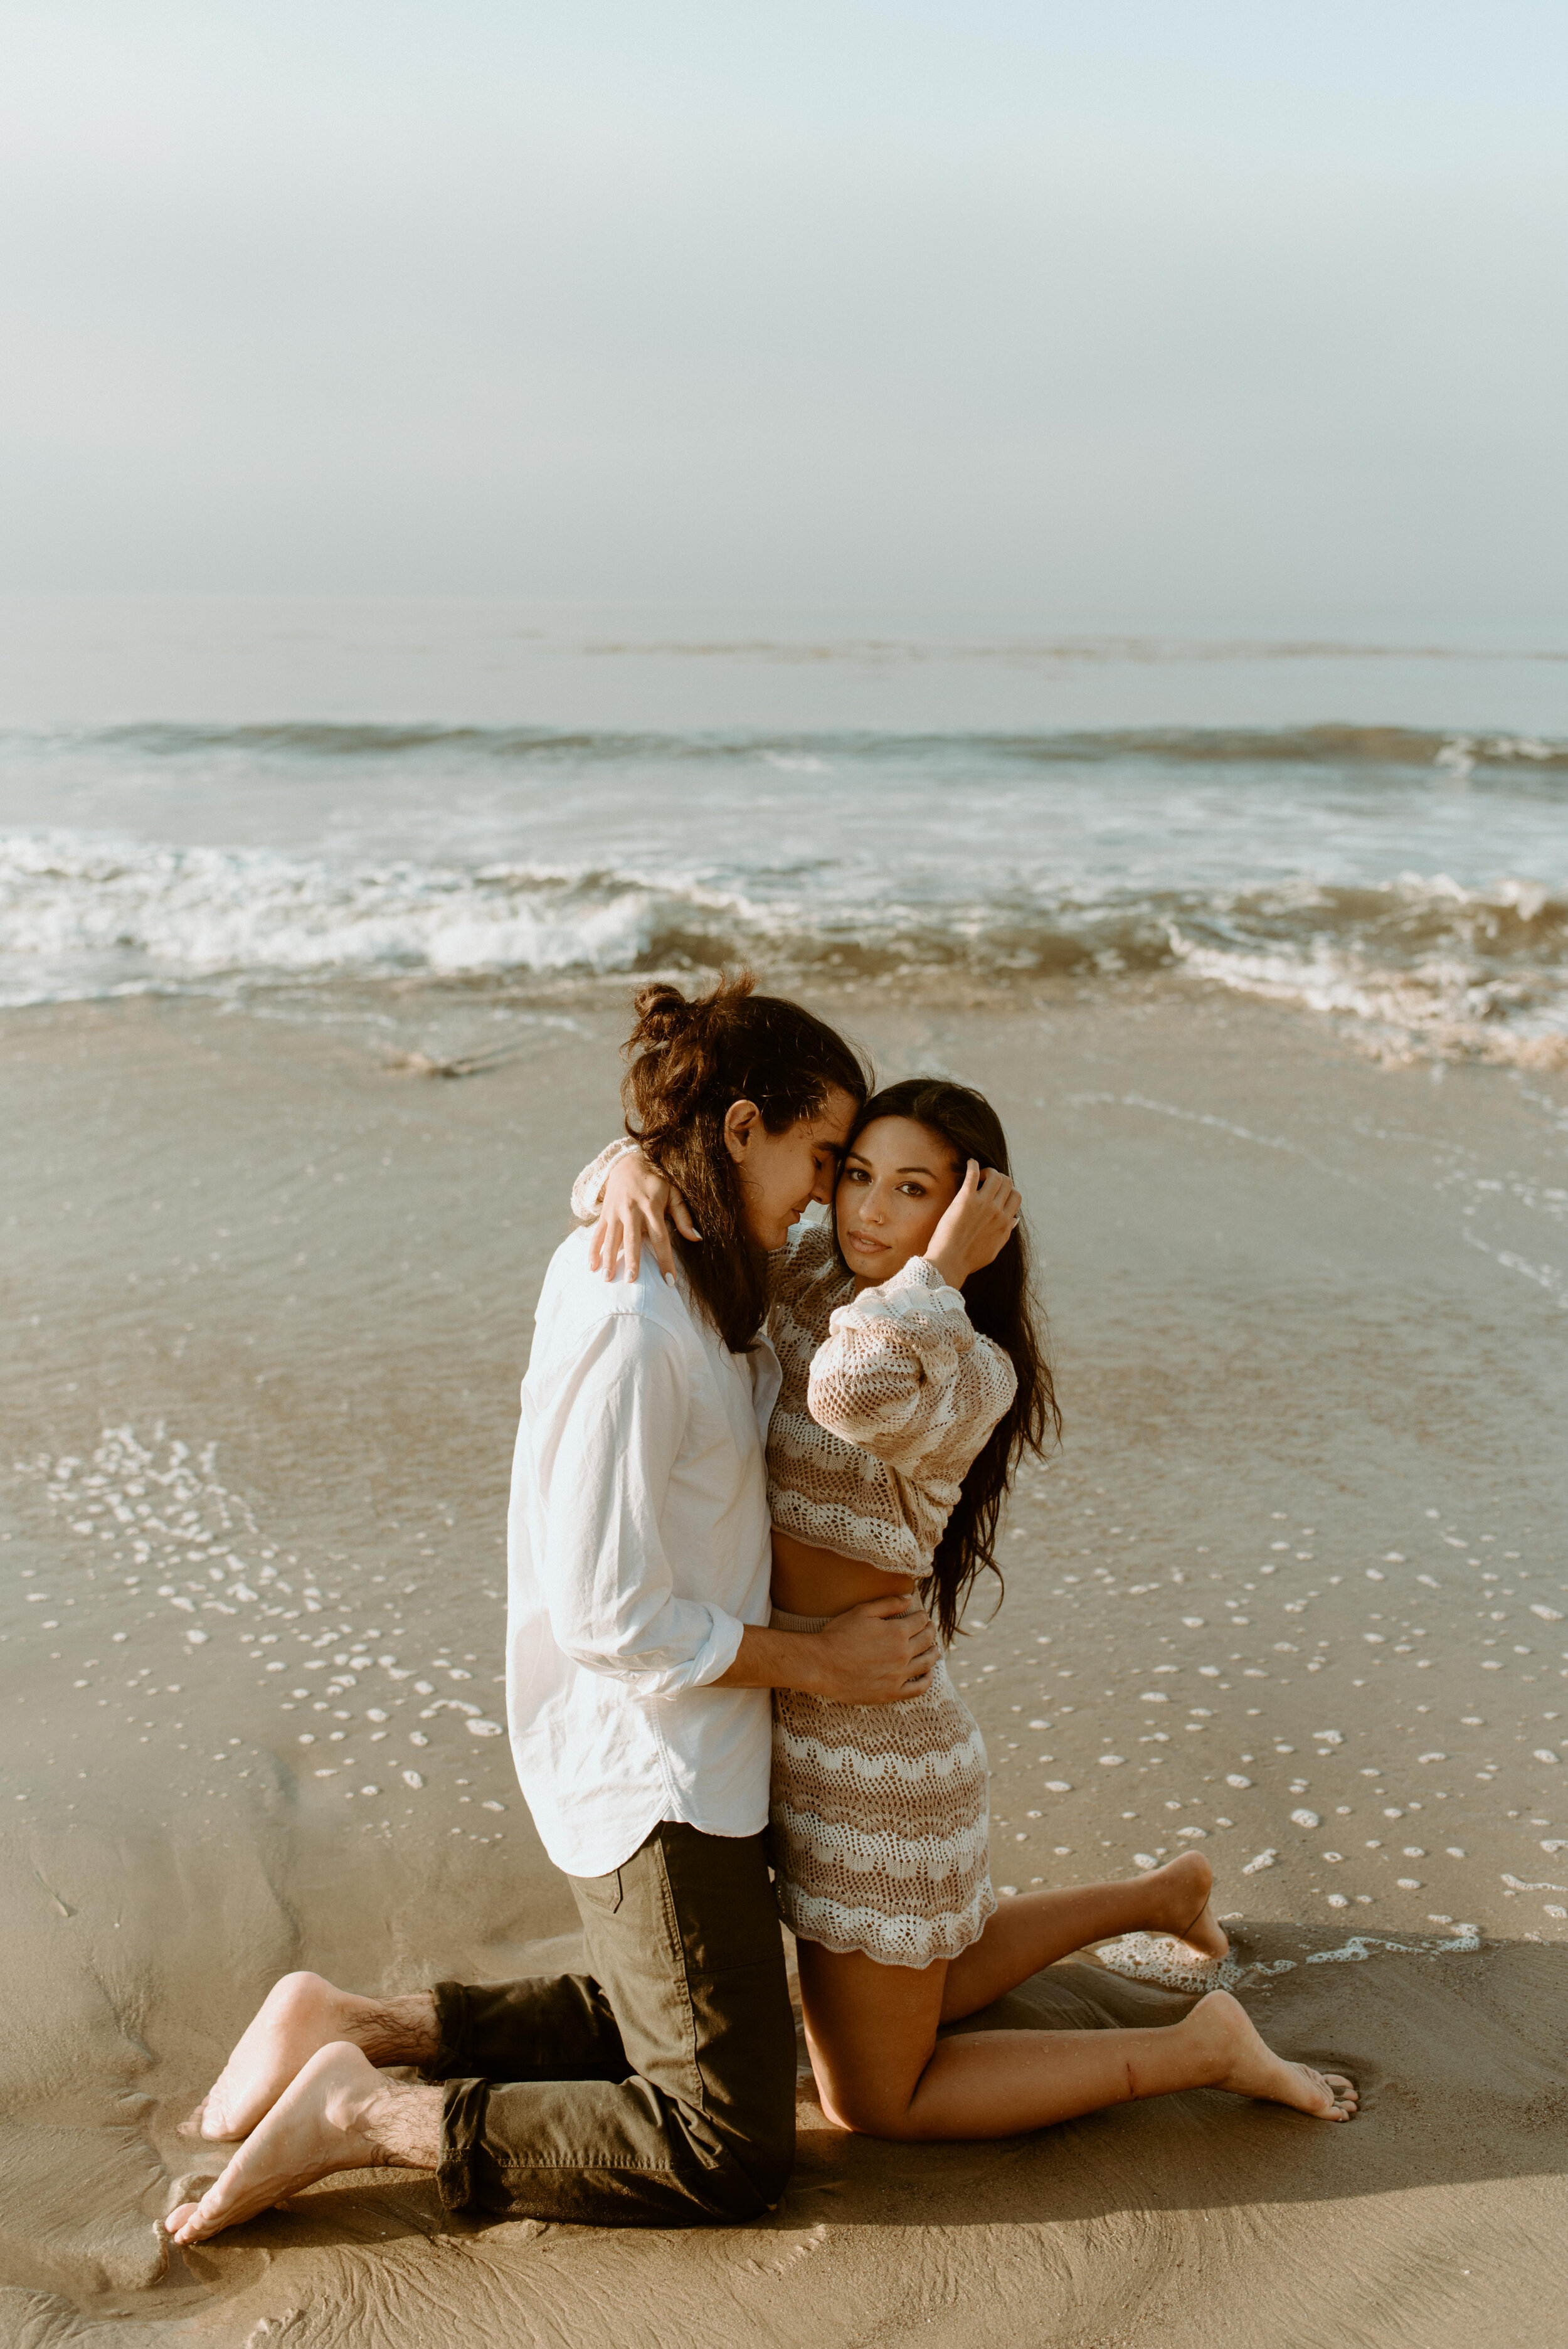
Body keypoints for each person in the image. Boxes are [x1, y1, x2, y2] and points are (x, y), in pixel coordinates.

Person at [166, 976, 945, 2247]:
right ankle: (364, 2115)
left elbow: (684, 1193)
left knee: (700, 2011)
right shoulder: (633, 1315)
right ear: (741, 1129)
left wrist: (620, 1163)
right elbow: (604, 1612)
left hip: (706, 1745)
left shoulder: (702, 1261)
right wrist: (818, 1662)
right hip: (652, 1763)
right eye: (819, 1157)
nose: (826, 1193)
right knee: (726, 2149)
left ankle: (351, 2023)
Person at [585, 1075, 1359, 2138]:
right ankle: (1159, 1897)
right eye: (855, 1175)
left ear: (967, 1210)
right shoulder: (813, 1277)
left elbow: (846, 1393)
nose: (864, 1210)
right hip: (810, 1717)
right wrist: (622, 1169)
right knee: (917, 1981)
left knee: (874, 2097)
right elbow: (705, 1212)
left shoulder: (966, 1365)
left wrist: (943, 1265)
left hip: (883, 1757)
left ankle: (1198, 2048)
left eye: (909, 1190)